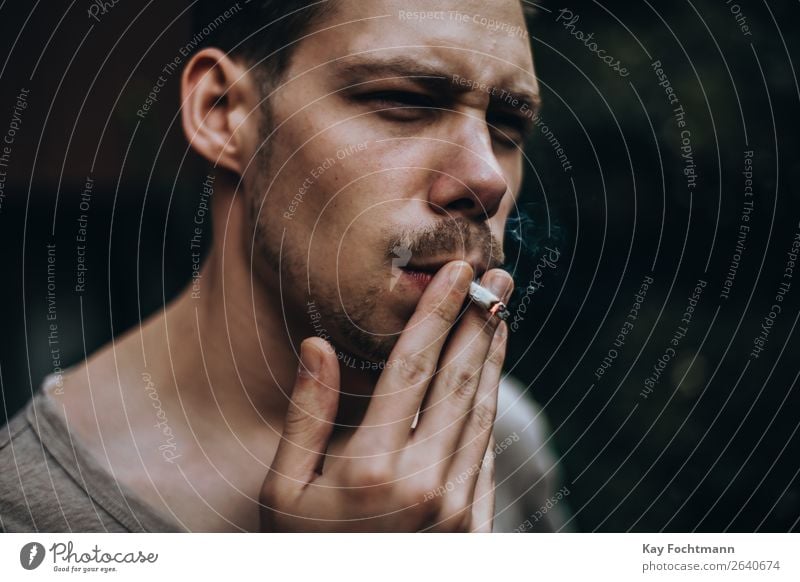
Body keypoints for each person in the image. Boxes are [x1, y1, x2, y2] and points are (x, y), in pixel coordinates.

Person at [0, 0, 568, 532]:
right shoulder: (27, 513)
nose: (488, 179)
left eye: (507, 126)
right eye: (405, 101)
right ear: (223, 113)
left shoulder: (495, 437)